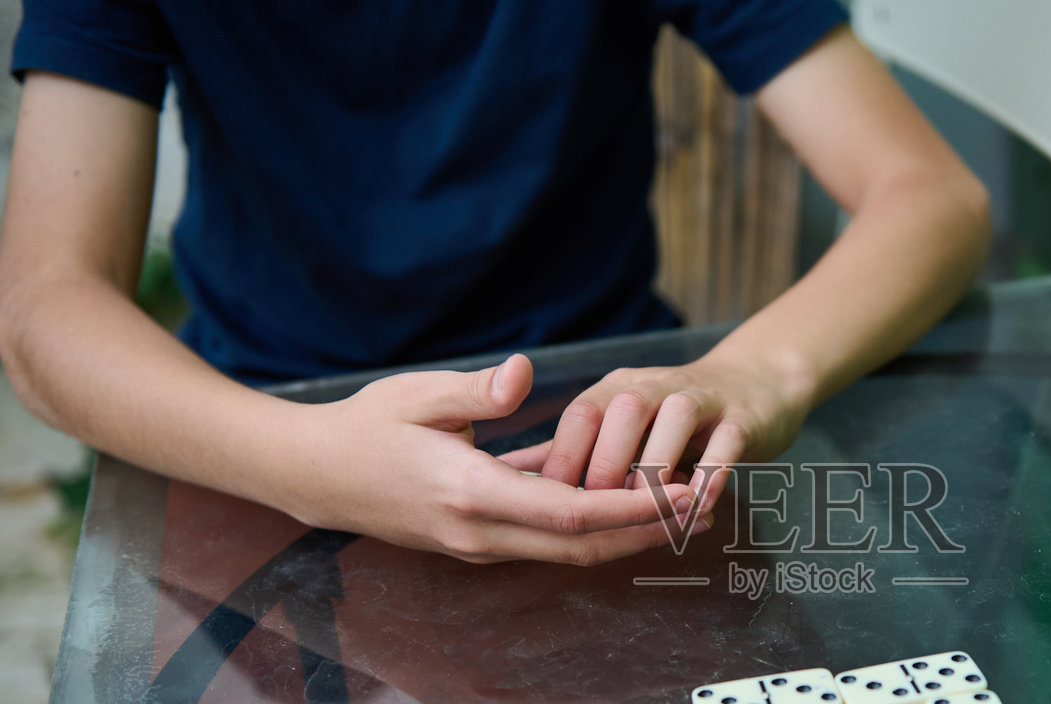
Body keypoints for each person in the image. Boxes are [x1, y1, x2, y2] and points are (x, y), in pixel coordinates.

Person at [0, 1, 990, 565]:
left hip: (601, 440)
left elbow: (930, 196)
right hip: (256, 437)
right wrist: (300, 462)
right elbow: (45, 310)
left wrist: (753, 375)